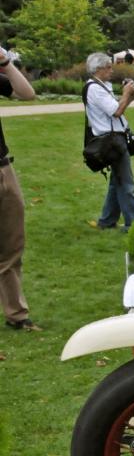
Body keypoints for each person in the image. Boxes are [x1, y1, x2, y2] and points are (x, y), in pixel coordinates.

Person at [0, 44, 39, 332]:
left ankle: (17, 315)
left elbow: (26, 94)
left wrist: (5, 61)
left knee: (12, 245)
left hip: (2, 168)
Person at [84, 52, 134, 234]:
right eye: (108, 67)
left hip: (114, 139)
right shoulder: (95, 88)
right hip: (111, 141)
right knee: (126, 183)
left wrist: (130, 96)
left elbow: (118, 108)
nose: (112, 70)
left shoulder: (102, 86)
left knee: (116, 181)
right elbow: (116, 112)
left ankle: (107, 220)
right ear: (98, 69)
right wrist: (125, 94)